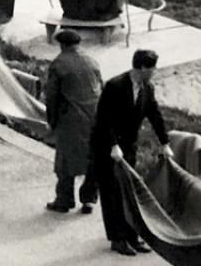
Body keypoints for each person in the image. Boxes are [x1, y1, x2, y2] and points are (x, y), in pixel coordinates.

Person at [90, 49, 174, 257]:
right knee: (112, 193)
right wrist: (112, 145)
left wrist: (164, 143)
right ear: (143, 68)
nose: (154, 71)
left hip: (128, 146)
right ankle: (117, 239)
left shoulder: (147, 88)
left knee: (128, 191)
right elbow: (104, 119)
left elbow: (155, 115)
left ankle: (132, 236)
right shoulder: (115, 86)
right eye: (152, 68)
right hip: (106, 147)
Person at [43, 29, 103, 214]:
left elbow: (52, 97)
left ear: (62, 45)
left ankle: (64, 200)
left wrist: (51, 121)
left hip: (71, 119)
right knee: (92, 160)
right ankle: (89, 200)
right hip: (94, 118)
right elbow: (100, 88)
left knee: (65, 161)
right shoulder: (92, 61)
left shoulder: (59, 64)